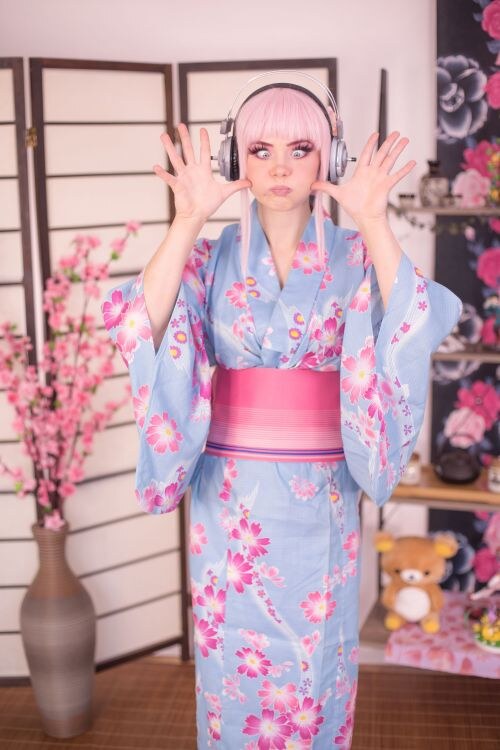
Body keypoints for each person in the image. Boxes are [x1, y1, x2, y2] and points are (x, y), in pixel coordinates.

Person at [102, 74, 462, 749]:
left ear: (331, 156)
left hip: (322, 492)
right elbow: (139, 326)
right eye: (259, 149)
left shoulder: (356, 256)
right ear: (235, 158)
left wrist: (374, 220)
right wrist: (187, 220)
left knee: (316, 664)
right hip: (229, 497)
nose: (279, 168)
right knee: (230, 664)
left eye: (301, 149)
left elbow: (417, 322)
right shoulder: (210, 257)